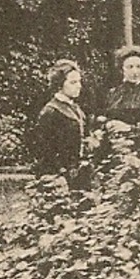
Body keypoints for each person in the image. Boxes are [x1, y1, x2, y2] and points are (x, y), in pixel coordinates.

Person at [32, 58, 89, 188]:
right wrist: (59, 174)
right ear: (60, 84)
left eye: (79, 81)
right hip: (58, 178)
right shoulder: (51, 112)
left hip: (78, 174)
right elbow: (44, 150)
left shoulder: (75, 108)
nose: (79, 86)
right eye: (73, 82)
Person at [102, 44, 140, 132]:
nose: (135, 72)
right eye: (130, 67)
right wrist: (108, 124)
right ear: (122, 70)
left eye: (139, 67)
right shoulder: (113, 93)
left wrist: (130, 128)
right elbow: (105, 116)